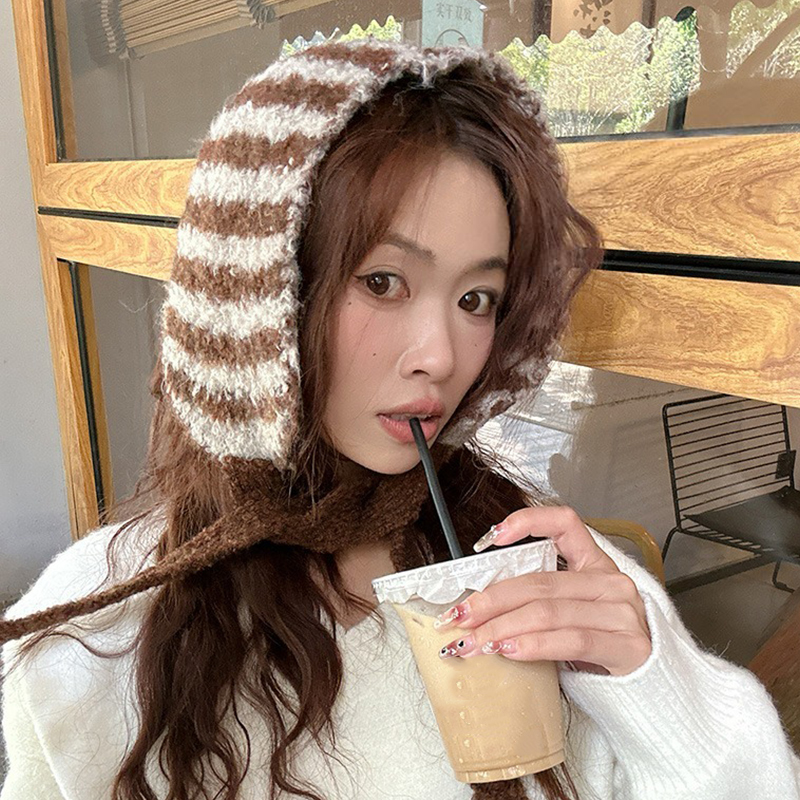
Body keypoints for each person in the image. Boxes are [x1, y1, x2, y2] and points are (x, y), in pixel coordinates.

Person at [1, 36, 798, 800]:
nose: (441, 356)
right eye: (382, 282)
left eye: (476, 298)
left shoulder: (538, 566)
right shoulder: (99, 634)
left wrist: (658, 694)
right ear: (258, 292)